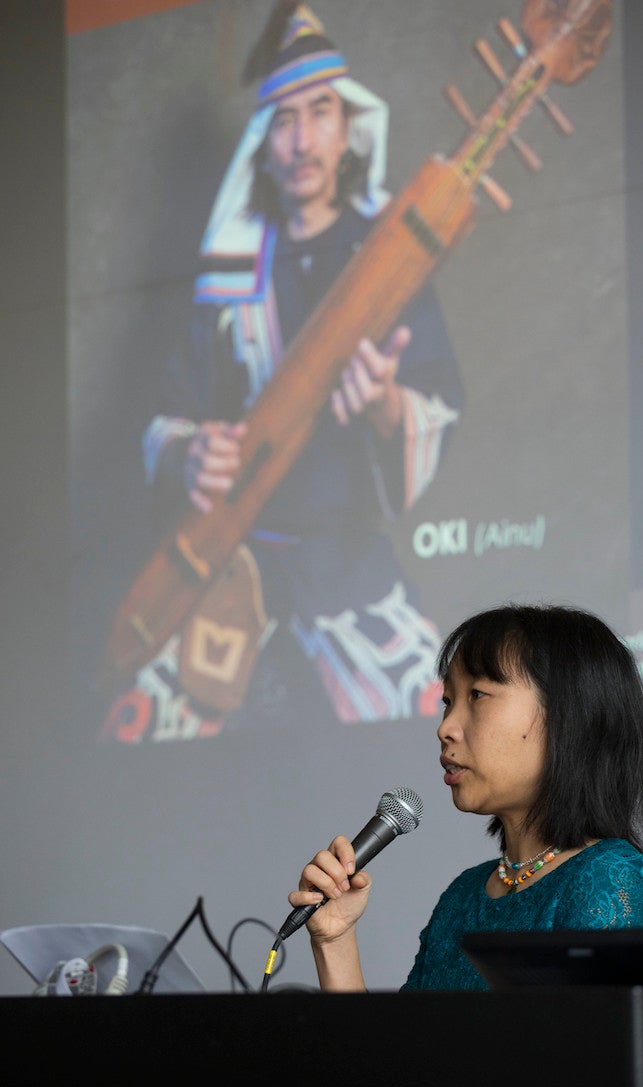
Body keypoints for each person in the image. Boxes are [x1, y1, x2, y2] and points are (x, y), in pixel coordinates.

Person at [101, 2, 463, 743]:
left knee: (441, 737)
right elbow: (164, 420)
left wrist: (388, 406)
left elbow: (438, 400)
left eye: (319, 113)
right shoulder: (231, 276)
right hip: (234, 564)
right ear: (264, 144)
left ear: (346, 128)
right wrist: (188, 453)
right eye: (284, 120)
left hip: (347, 561)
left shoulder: (390, 257)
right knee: (137, 729)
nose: (301, 140)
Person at [286, 603, 643, 991]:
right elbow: (395, 1051)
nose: (445, 728)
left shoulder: (608, 877)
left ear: (570, 715)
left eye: (478, 695)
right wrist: (334, 941)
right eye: (448, 702)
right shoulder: (462, 895)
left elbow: (602, 1050)